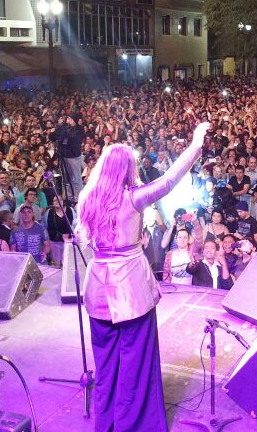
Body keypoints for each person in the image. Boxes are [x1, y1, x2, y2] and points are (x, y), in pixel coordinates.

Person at [75, 120, 209, 432]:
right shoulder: (132, 198)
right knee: (135, 363)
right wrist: (196, 145)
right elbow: (169, 180)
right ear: (126, 169)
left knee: (105, 366)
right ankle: (133, 425)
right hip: (131, 293)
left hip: (97, 291)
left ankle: (106, 424)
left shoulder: (87, 199)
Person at [52, 113, 86, 203]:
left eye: (70, 119)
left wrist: (65, 135)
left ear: (75, 120)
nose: (68, 121)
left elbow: (74, 140)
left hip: (74, 157)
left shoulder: (79, 129)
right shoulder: (67, 129)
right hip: (65, 156)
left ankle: (78, 198)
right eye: (68, 119)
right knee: (66, 179)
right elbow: (55, 138)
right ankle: (68, 197)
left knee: (76, 179)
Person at [45, 196, 75, 267]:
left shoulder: (70, 210)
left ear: (62, 201)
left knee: (67, 264)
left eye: (59, 199)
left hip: (68, 242)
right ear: (52, 203)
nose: (57, 201)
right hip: (55, 242)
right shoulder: (49, 212)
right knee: (57, 265)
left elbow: (74, 224)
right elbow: (47, 227)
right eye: (55, 200)